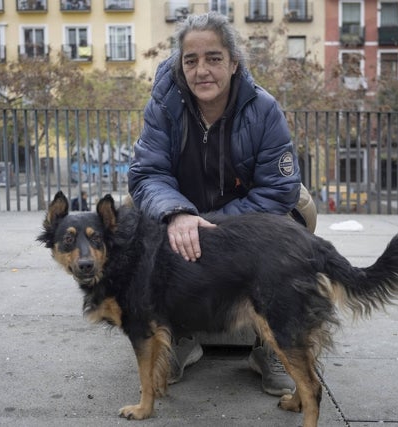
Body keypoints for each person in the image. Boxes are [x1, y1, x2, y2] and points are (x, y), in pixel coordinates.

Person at [127, 12, 317, 397]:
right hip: (184, 208)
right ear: (181, 65)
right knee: (132, 211)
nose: (202, 71)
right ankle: (177, 330)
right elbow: (147, 174)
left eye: (213, 58)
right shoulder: (164, 105)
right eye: (191, 60)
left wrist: (214, 228)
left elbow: (278, 190)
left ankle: (274, 343)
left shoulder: (263, 108)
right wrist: (177, 213)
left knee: (300, 212)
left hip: (242, 218)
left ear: (233, 62)